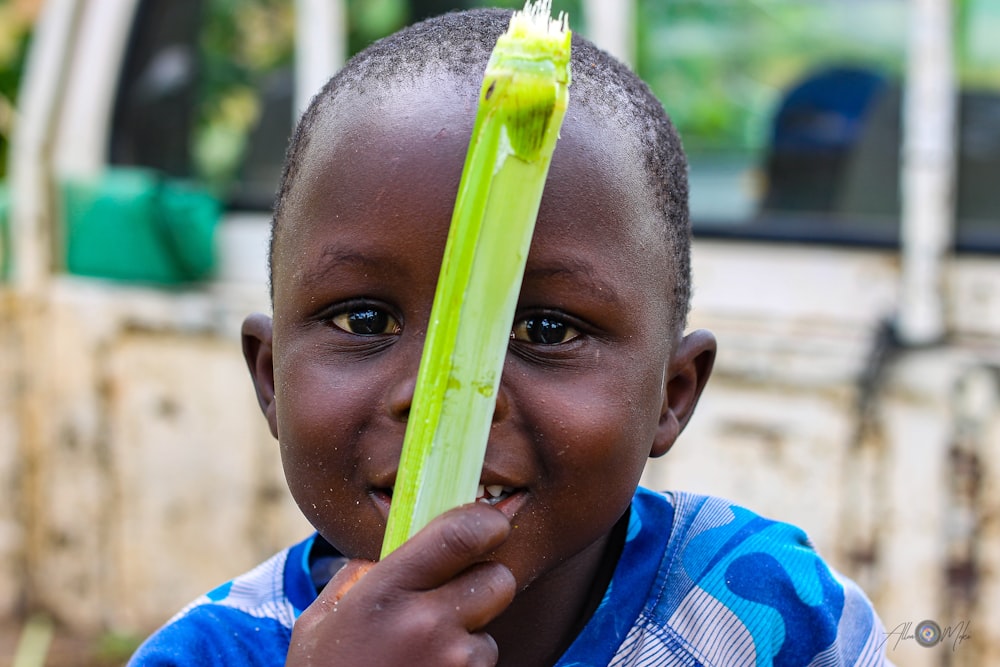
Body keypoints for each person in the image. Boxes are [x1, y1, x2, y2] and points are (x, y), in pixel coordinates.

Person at [129, 8, 890, 666]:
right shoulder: (208, 652)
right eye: (365, 321)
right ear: (269, 378)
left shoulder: (768, 613)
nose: (441, 398)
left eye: (547, 329)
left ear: (672, 392)